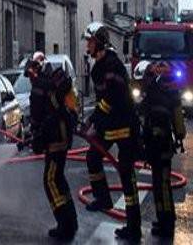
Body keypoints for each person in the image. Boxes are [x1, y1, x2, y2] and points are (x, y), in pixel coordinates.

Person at [81, 21, 142, 241]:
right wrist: (93, 120)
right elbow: (102, 102)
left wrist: (93, 120)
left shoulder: (112, 65)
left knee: (127, 177)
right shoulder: (99, 66)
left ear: (99, 42)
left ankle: (134, 227)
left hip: (124, 126)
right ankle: (103, 198)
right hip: (110, 125)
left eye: (90, 41)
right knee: (92, 157)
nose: (87, 45)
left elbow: (112, 99)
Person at [25, 51, 78, 241]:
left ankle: (65, 224)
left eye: (29, 75)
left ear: (34, 72)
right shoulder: (51, 84)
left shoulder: (39, 88)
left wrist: (36, 136)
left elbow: (39, 118)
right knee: (58, 178)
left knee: (50, 180)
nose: (29, 79)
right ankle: (71, 221)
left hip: (56, 138)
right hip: (62, 135)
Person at [139, 61, 186, 238]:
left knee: (161, 185)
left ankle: (166, 222)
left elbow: (144, 116)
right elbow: (179, 127)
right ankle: (165, 219)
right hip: (163, 145)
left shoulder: (154, 92)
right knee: (160, 184)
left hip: (158, 145)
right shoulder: (172, 94)